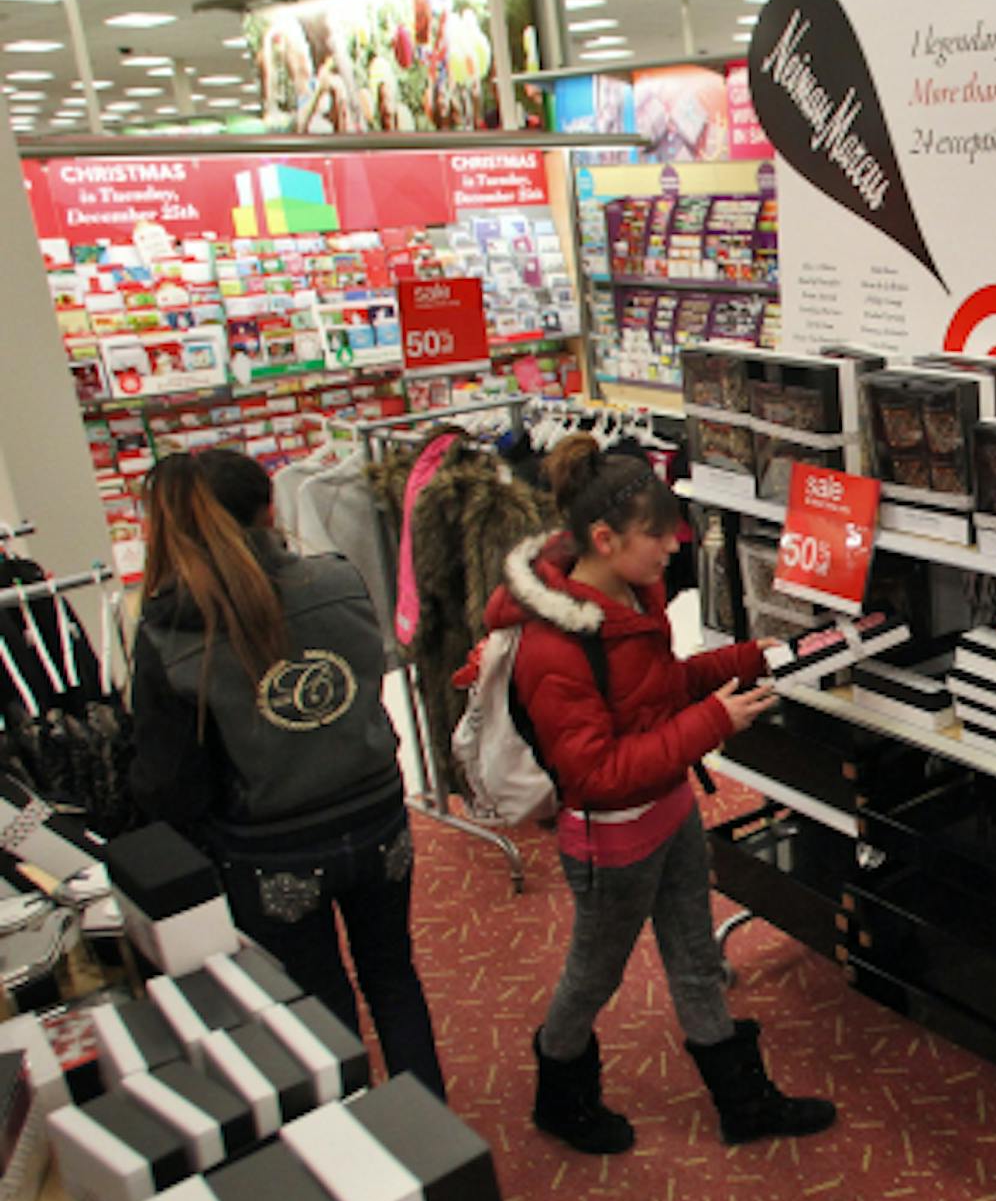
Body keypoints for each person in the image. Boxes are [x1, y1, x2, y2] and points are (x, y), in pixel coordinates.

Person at [487, 434, 834, 1154]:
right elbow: (595, 775)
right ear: (606, 539)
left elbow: (655, 690)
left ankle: (743, 1101)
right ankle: (561, 1090)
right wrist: (712, 722)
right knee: (595, 972)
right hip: (612, 842)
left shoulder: (629, 597)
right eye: (659, 535)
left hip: (669, 813)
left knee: (694, 956)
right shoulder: (553, 643)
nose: (675, 547)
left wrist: (747, 658)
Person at [131, 449, 445, 1097]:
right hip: (377, 814)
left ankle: (358, 1149)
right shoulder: (339, 579)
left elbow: (170, 784)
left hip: (271, 848)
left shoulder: (170, 630)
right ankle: (435, 1139)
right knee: (393, 975)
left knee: (318, 999)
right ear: (271, 508)